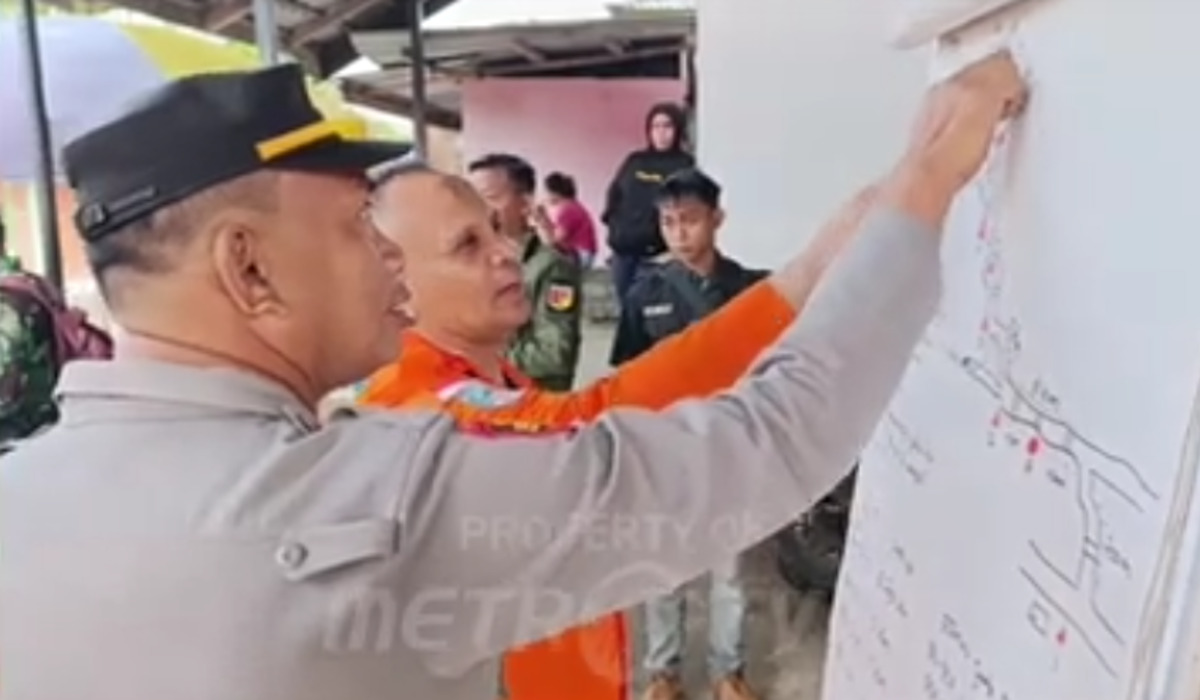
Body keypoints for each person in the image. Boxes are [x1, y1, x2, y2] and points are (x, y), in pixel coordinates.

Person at [0, 55, 1027, 700]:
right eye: (362, 229)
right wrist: (927, 182)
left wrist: (803, 275)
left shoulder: (23, 499)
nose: (390, 262)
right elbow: (751, 443)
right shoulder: (365, 499)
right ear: (249, 266)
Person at [356, 160, 876, 700]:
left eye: (495, 228)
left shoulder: (500, 378)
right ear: (396, 284)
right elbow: (588, 421)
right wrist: (806, 276)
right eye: (467, 244)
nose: (506, 251)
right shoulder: (415, 402)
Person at [609, 167, 769, 700]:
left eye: (691, 220)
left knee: (729, 574)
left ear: (716, 220)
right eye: (669, 222)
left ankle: (729, 671)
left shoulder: (749, 292)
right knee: (664, 572)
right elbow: (626, 376)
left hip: (728, 451)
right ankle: (663, 673)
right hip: (665, 453)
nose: (679, 232)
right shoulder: (644, 293)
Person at [469, 153, 583, 390]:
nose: (477, 208)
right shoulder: (470, 261)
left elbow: (554, 356)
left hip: (530, 406)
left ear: (525, 204)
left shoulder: (550, 267)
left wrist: (478, 358)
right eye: (471, 199)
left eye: (489, 197)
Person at [602, 102, 694, 304]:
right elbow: (615, 194)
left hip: (658, 257)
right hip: (624, 253)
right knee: (628, 315)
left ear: (678, 129)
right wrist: (614, 226)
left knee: (654, 316)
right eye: (655, 126)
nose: (661, 133)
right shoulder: (635, 160)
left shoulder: (685, 165)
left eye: (667, 126)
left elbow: (686, 207)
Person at [542, 171, 599, 267]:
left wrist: (541, 219)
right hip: (581, 253)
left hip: (580, 255)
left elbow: (554, 240)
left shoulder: (569, 210)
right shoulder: (573, 206)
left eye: (547, 193)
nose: (546, 197)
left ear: (555, 193)